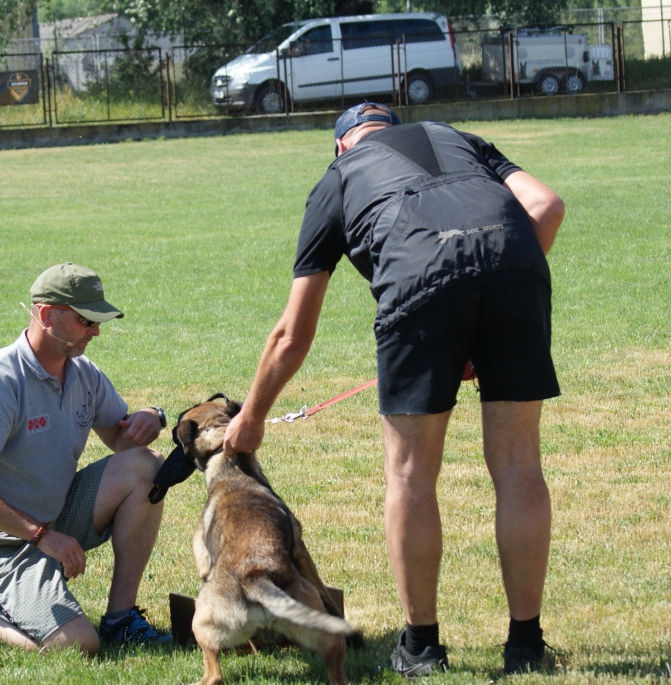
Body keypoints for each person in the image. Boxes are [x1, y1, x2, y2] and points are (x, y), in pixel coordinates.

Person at [223, 103, 565, 676]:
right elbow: (545, 207)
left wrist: (253, 417)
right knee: (518, 465)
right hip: (515, 268)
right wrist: (487, 295)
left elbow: (292, 333)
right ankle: (527, 645)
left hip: (420, 277)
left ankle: (423, 647)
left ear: (341, 145)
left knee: (410, 474)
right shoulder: (456, 135)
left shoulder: (339, 177)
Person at [0, 262, 172, 654]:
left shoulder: (84, 374)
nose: (95, 331)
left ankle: (121, 619)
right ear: (46, 316)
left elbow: (123, 441)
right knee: (79, 644)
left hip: (52, 521)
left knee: (146, 465)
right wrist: (43, 537)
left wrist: (151, 418)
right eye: (85, 320)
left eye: (97, 321)